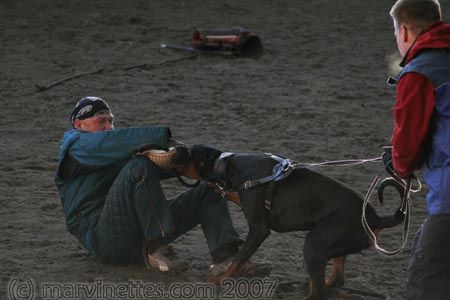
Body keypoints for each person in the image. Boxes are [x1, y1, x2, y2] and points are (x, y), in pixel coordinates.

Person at [54, 96, 245, 274]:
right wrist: (164, 139)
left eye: (110, 121)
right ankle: (155, 247)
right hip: (104, 240)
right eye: (101, 121)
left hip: (133, 234)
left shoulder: (112, 149)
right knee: (140, 165)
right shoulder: (75, 145)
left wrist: (189, 158)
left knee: (207, 187)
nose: (108, 127)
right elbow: (111, 145)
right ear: (78, 124)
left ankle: (227, 261)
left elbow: (160, 163)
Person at [386, 0, 450, 299]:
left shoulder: (419, 72)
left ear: (405, 30)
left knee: (425, 279)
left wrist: (400, 166)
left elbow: (408, 139)